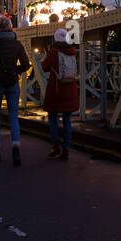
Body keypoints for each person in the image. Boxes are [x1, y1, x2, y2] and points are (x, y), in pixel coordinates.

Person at [0, 15, 29, 165]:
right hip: (12, 81)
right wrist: (14, 70)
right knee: (13, 116)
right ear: (10, 27)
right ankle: (15, 147)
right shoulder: (16, 44)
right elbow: (26, 64)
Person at [41, 26, 79, 160]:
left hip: (56, 90)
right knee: (67, 120)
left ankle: (55, 146)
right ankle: (66, 149)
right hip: (70, 90)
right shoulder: (73, 52)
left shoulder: (53, 51)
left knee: (53, 119)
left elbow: (44, 67)